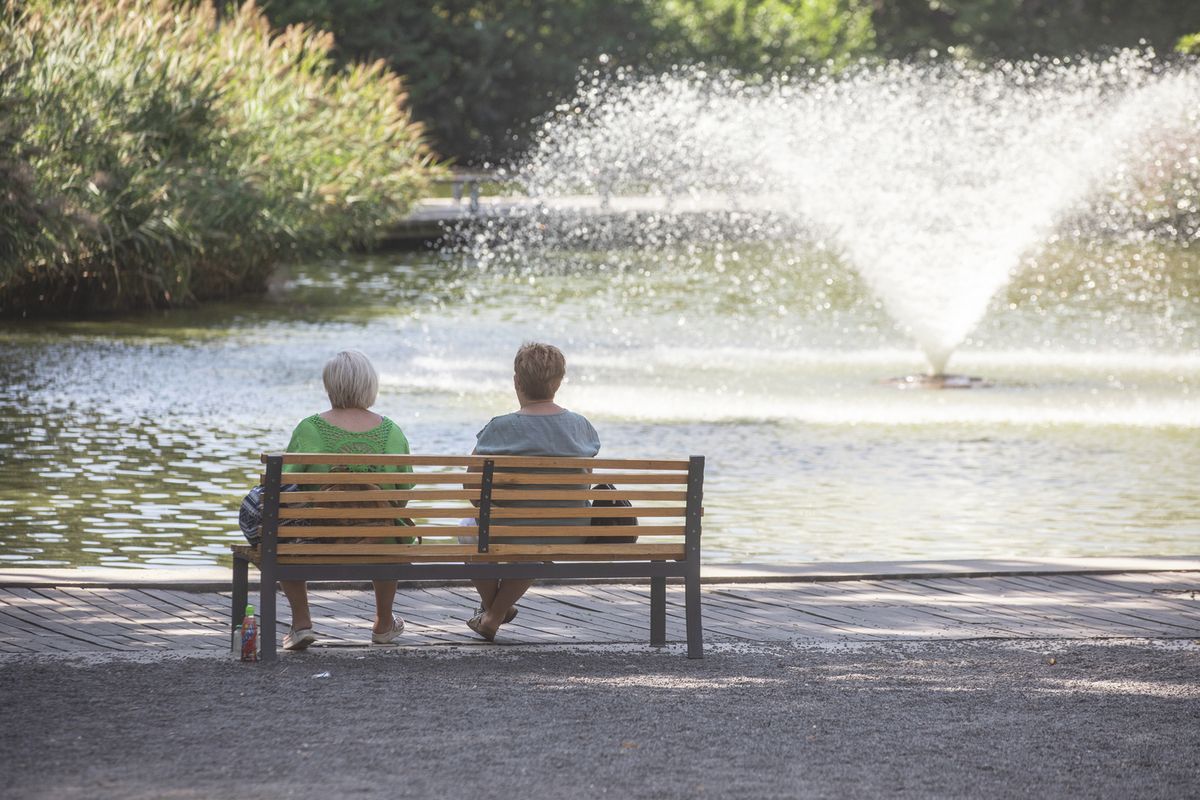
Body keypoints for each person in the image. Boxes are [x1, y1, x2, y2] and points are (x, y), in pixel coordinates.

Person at [277, 350, 412, 651]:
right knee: (390, 523)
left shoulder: (309, 429)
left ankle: (301, 623)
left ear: (330, 387)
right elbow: (403, 491)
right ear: (370, 386)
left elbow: (286, 487)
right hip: (382, 542)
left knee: (281, 532)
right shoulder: (392, 432)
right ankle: (384, 622)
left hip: (318, 540)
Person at [466, 342, 600, 641]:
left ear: (516, 381)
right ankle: (494, 613)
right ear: (559, 382)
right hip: (569, 531)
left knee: (469, 529)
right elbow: (585, 482)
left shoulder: (499, 427)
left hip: (509, 530)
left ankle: (494, 610)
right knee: (538, 535)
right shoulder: (582, 427)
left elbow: (472, 490)